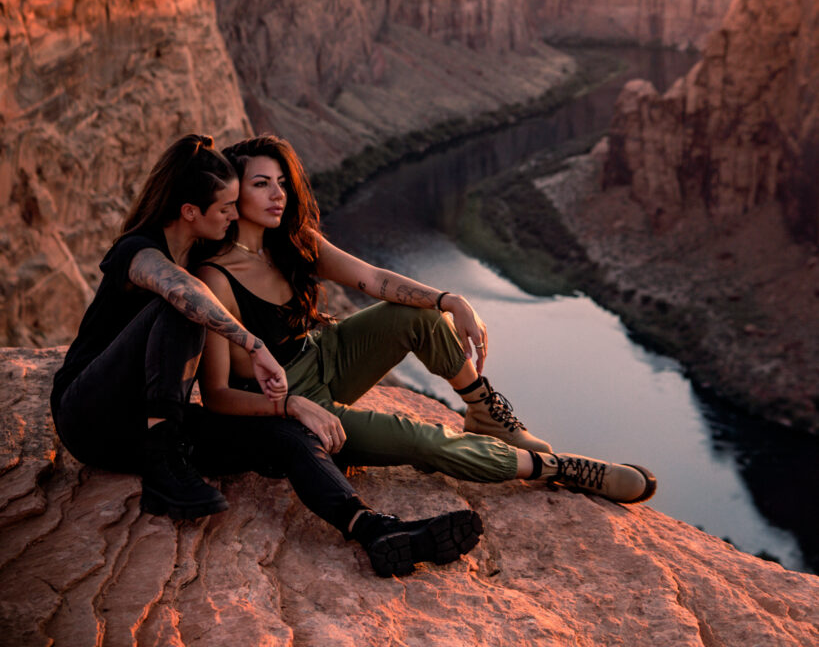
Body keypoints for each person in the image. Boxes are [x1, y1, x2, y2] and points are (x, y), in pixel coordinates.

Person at [50, 134, 484, 578]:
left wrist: (291, 403)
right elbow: (181, 291)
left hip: (150, 427)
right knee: (180, 305)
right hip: (89, 415)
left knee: (285, 433)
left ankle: (375, 530)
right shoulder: (136, 250)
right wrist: (252, 344)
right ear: (189, 212)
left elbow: (363, 277)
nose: (235, 215)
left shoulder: (205, 250)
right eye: (225, 209)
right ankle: (164, 470)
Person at [196, 134, 657, 504]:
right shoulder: (216, 279)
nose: (279, 194)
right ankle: (562, 470)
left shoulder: (293, 242)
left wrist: (449, 298)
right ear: (234, 195)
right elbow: (216, 396)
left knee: (415, 314)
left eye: (281, 182)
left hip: (327, 356)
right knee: (423, 441)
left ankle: (484, 411)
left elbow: (372, 278)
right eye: (261, 184)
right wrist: (292, 406)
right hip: (292, 401)